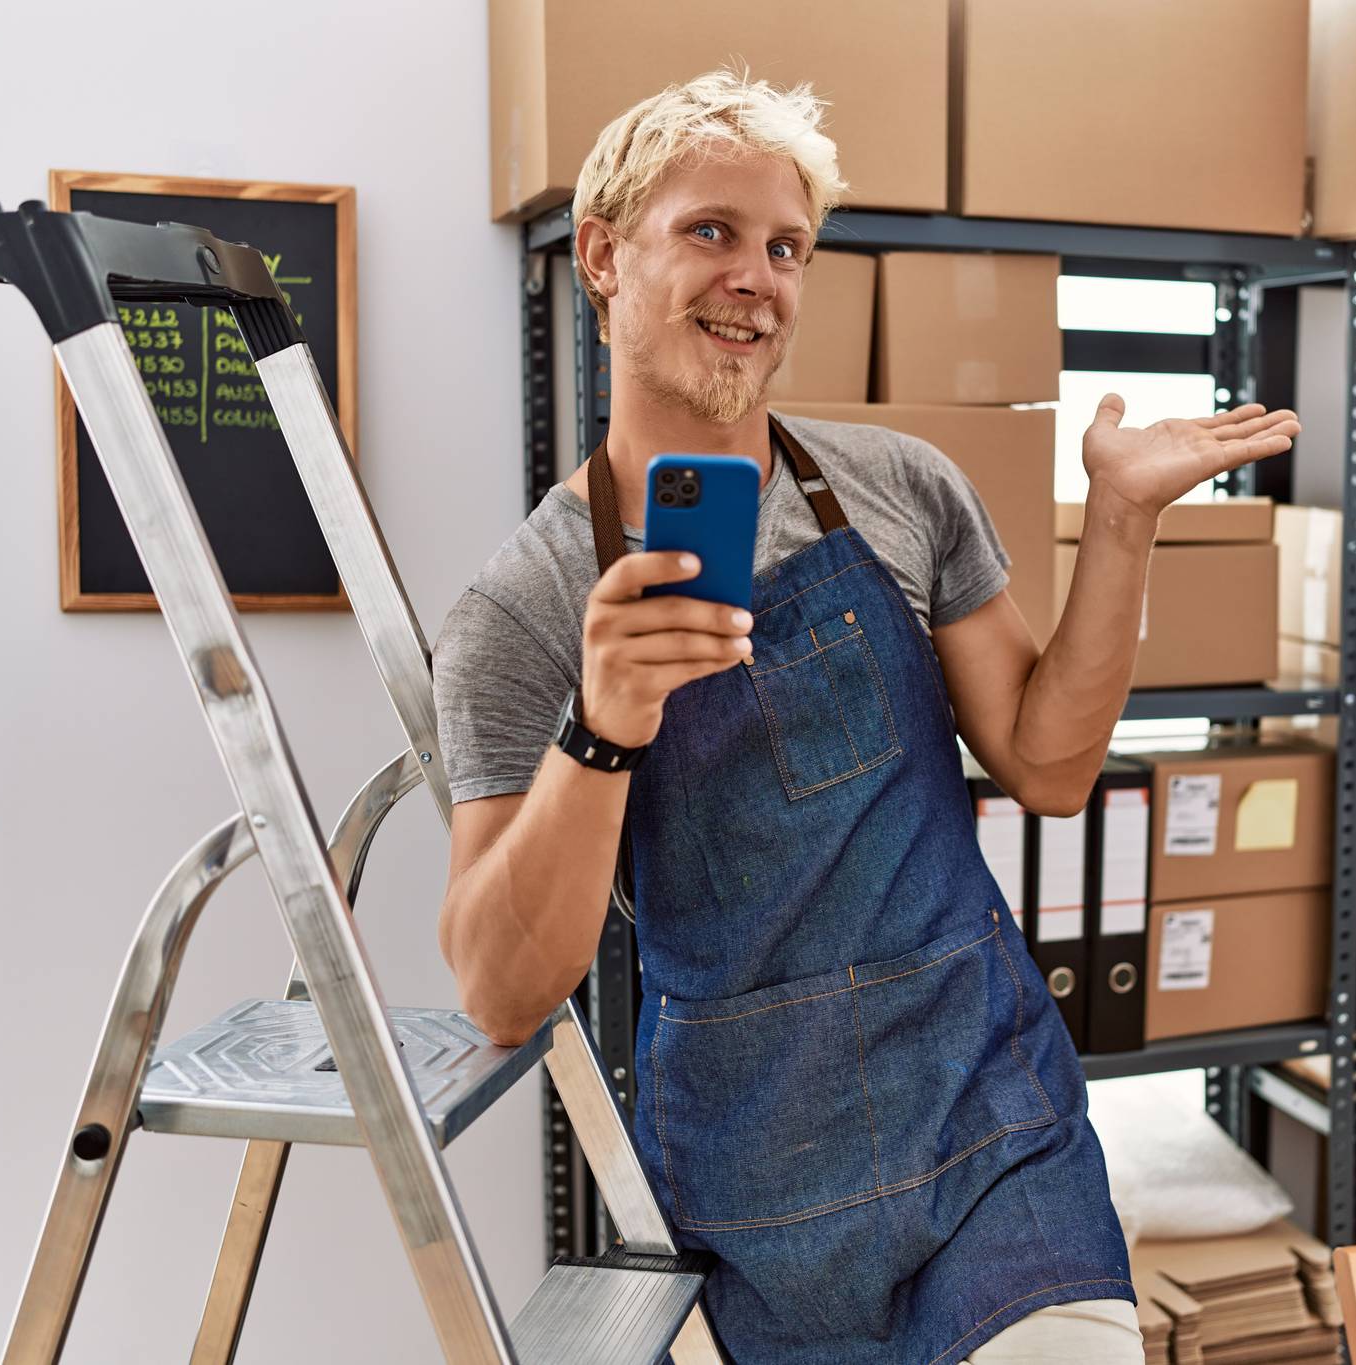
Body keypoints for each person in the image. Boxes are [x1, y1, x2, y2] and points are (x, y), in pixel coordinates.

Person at [432, 67, 1299, 1365]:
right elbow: (502, 990)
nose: (758, 277)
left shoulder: (902, 492)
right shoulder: (526, 605)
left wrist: (1122, 524)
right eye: (712, 232)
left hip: (990, 1141)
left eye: (786, 246)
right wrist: (602, 724)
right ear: (604, 258)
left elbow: (1050, 766)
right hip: (753, 1195)